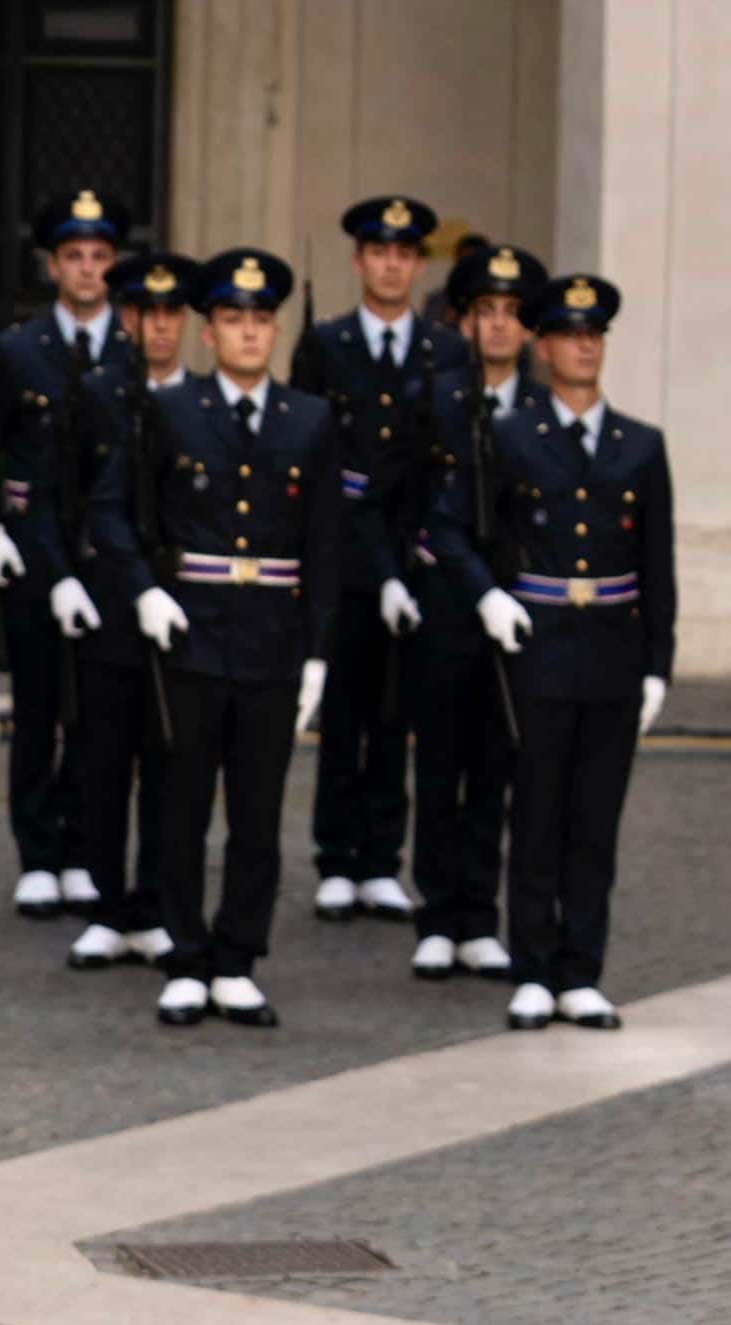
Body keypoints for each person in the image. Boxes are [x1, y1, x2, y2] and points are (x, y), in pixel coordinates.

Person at [84, 249, 341, 1030]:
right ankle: (184, 954)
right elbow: (110, 510)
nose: (249, 333)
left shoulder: (310, 419)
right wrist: (145, 591)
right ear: (207, 331)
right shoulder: (168, 412)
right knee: (181, 804)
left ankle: (237, 957)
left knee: (257, 812)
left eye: (261, 320)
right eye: (233, 319)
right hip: (189, 633)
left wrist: (320, 653)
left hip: (270, 636)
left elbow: (326, 541)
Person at [431, 273, 670, 1032]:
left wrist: (658, 662)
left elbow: (655, 566)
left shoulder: (639, 444)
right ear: (544, 345)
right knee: (533, 809)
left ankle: (581, 968)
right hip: (534, 642)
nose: (583, 345)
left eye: (593, 334)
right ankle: (533, 963)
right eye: (569, 334)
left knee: (593, 818)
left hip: (609, 646)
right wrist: (487, 595)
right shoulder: (508, 435)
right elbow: (449, 528)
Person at [0, 187, 135, 921]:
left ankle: (85, 848)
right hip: (31, 550)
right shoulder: (16, 348)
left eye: (98, 257)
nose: (86, 270)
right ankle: (36, 852)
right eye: (73, 257)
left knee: (99, 713)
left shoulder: (130, 349)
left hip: (107, 554)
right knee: (35, 707)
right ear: (51, 265)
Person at [286, 193, 467, 925]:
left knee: (398, 710)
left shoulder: (443, 350)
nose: (390, 265)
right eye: (378, 253)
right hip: (340, 551)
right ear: (357, 261)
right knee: (343, 705)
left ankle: (380, 858)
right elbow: (301, 445)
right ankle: (335, 856)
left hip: (414, 550)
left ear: (416, 264)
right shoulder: (324, 346)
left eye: (403, 254)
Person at [401, 244, 546, 985]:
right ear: (463, 320)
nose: (496, 327)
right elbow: (399, 500)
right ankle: (435, 913)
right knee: (439, 761)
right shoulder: (436, 398)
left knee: (494, 762)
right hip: (447, 604)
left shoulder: (544, 408)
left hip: (520, 610)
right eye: (483, 311)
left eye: (511, 313)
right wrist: (398, 576)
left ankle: (477, 914)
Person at [58, 250, 195, 972]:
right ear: (127, 319)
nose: (160, 328)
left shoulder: (202, 399)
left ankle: (159, 904)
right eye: (147, 314)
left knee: (173, 764)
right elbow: (68, 492)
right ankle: (107, 906)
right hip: (111, 600)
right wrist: (65, 575)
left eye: (172, 314)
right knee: (104, 762)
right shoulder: (97, 392)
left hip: (184, 605)